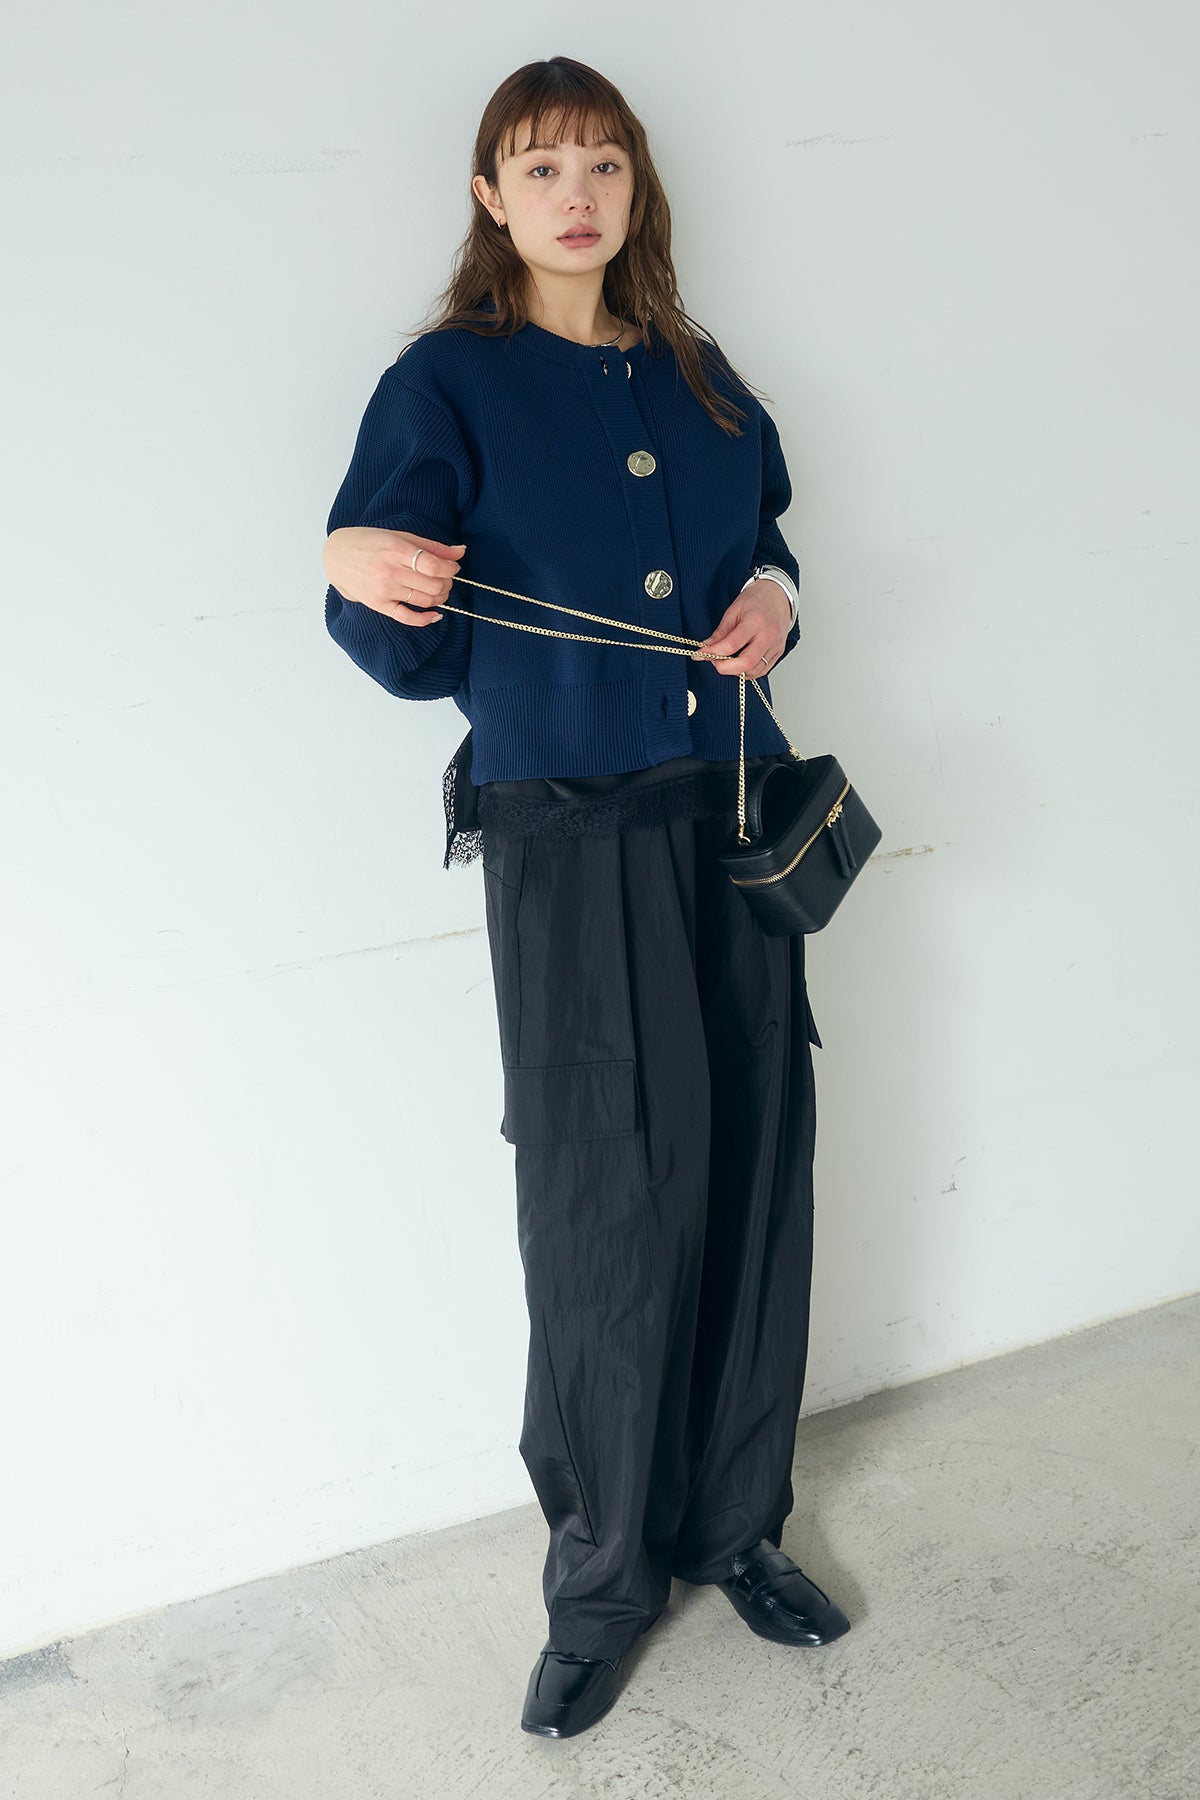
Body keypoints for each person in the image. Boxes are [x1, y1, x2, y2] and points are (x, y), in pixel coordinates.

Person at [321, 54, 850, 1740]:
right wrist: (353, 568)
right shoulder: (446, 383)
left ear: (637, 191)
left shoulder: (695, 368)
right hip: (568, 828)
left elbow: (769, 527)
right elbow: (401, 634)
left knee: (755, 1161)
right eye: (541, 166)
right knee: (607, 1202)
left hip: (732, 813)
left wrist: (775, 595)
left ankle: (735, 1526)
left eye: (603, 164)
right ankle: (605, 1582)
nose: (575, 194)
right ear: (491, 198)